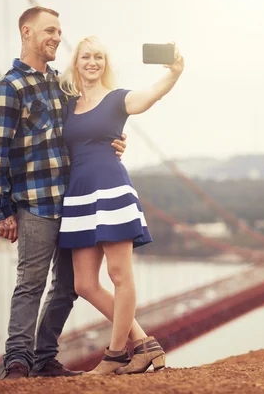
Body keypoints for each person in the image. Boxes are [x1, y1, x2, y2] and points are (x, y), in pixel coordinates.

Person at [0, 6, 128, 380]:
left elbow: (85, 127)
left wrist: (113, 141)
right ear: (26, 32)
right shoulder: (8, 88)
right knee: (31, 283)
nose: (57, 38)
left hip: (73, 201)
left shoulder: (62, 85)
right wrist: (1, 211)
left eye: (59, 32)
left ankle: (44, 357)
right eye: (49, 31)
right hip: (35, 204)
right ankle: (17, 362)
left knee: (68, 288)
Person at [56, 35, 184, 375]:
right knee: (84, 283)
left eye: (98, 56)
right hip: (79, 195)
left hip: (111, 189)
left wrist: (173, 74)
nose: (92, 62)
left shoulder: (115, 100)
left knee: (119, 276)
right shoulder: (67, 104)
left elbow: (146, 98)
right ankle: (143, 343)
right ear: (76, 63)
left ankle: (114, 356)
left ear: (105, 63)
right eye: (85, 56)